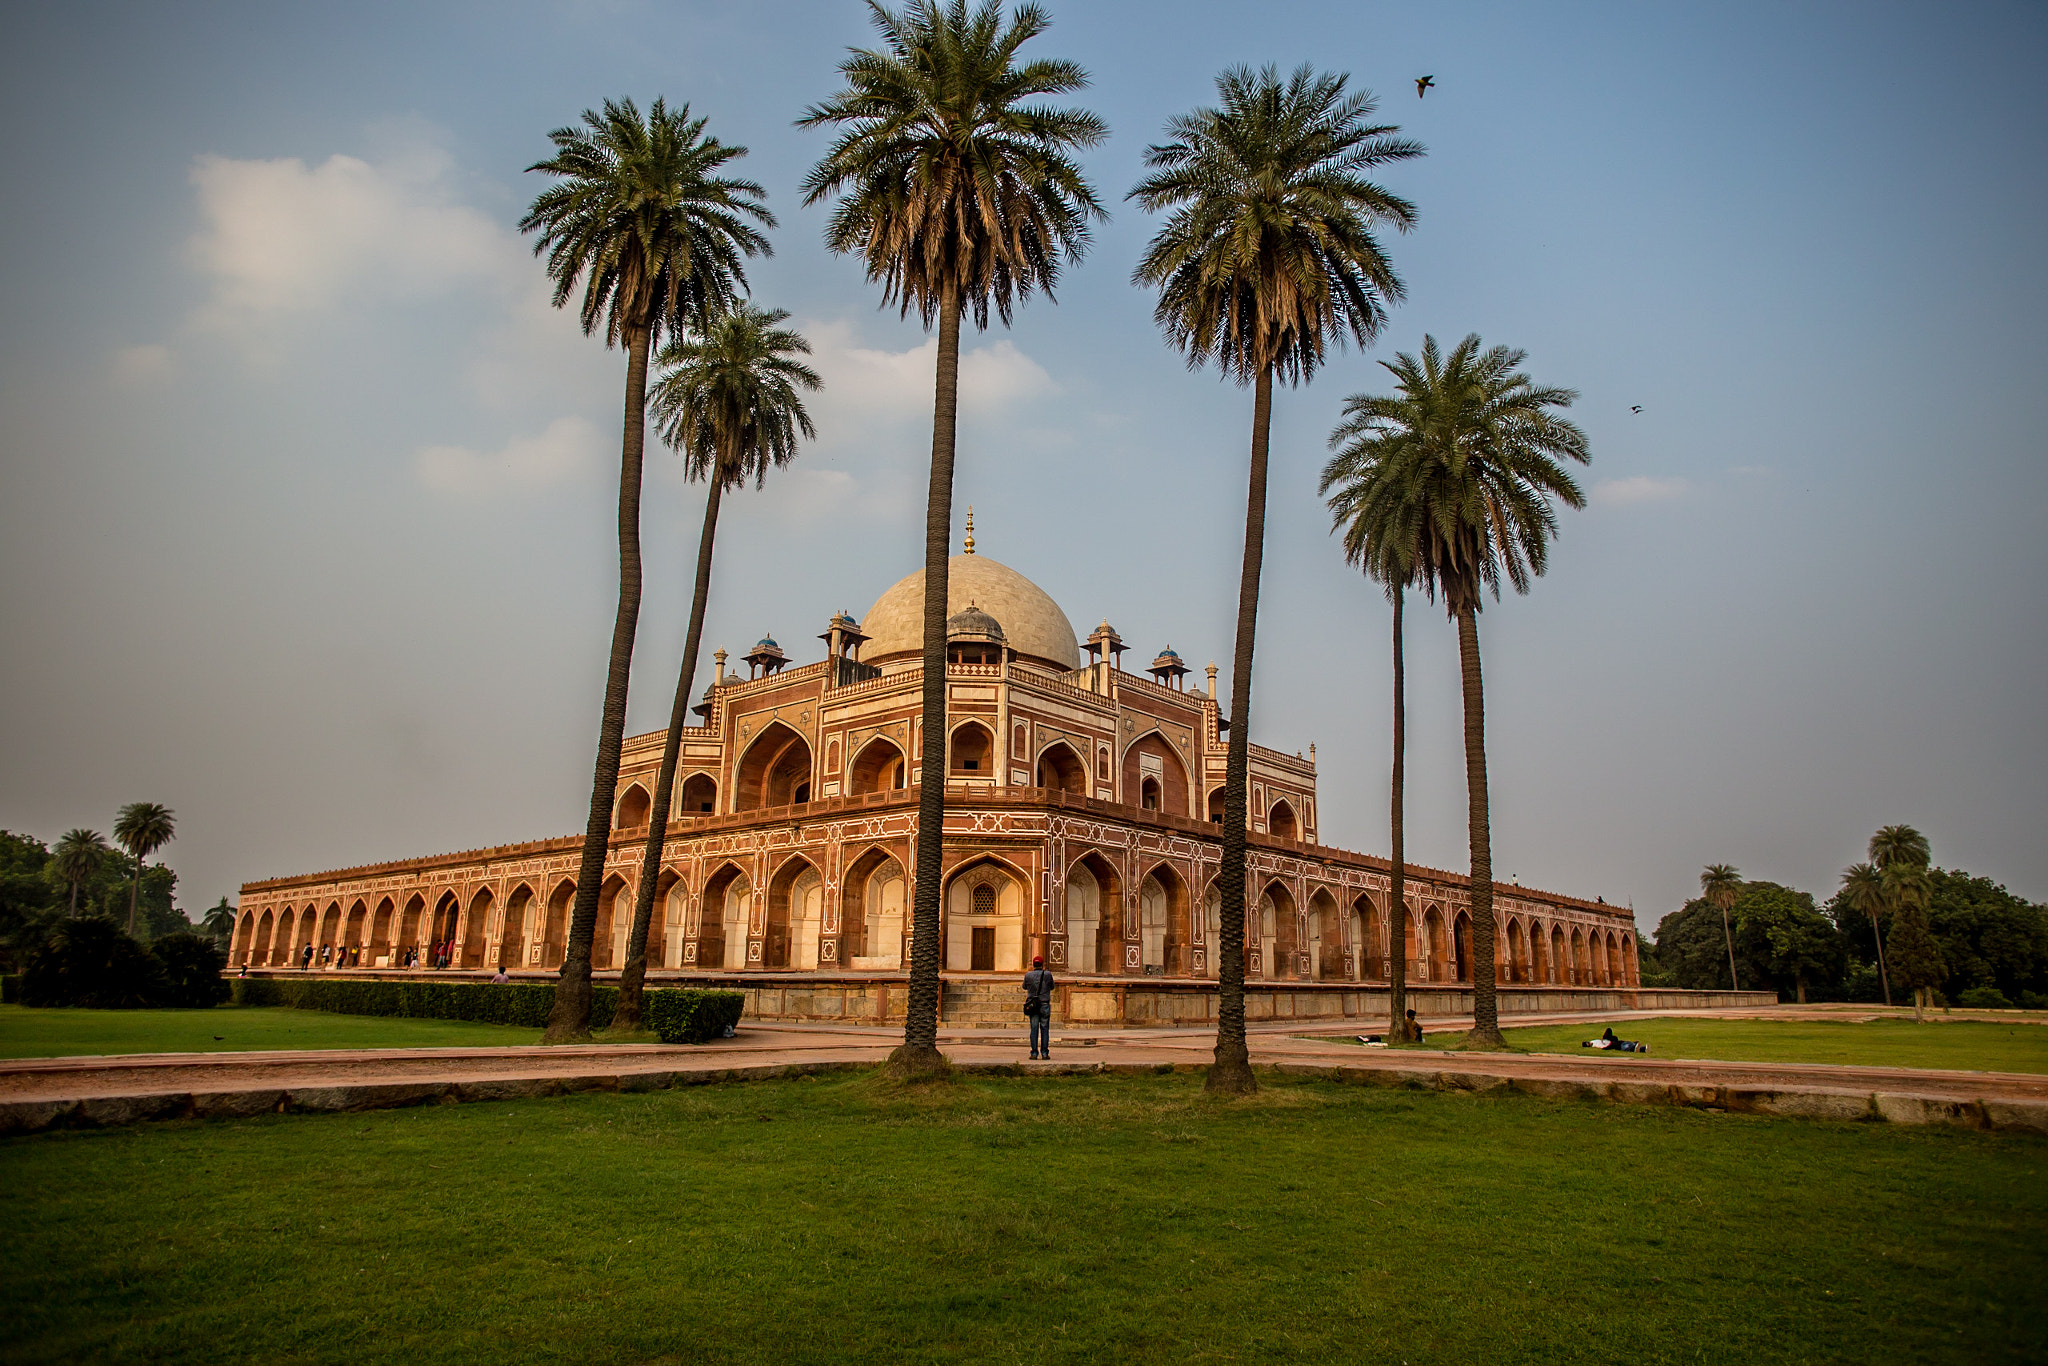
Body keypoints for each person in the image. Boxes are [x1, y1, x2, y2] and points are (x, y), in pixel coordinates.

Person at [1022, 955, 1055, 1059]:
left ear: (1033, 964)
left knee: (1034, 1029)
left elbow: (1024, 986)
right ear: (1042, 964)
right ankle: (1044, 1053)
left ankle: (1034, 1053)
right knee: (1045, 1029)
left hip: (1033, 1005)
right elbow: (1052, 986)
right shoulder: (1047, 975)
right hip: (1044, 1003)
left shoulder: (1028, 975)